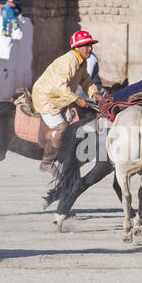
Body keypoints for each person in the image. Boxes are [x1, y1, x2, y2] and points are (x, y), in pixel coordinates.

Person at [32, 30, 103, 176]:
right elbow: (59, 86)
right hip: (46, 98)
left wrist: (94, 93)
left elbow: (86, 81)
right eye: (86, 45)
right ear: (77, 47)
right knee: (63, 128)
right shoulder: (68, 62)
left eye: (90, 45)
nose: (90, 48)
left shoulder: (81, 62)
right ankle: (47, 162)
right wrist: (76, 99)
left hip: (59, 98)